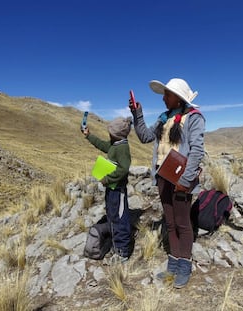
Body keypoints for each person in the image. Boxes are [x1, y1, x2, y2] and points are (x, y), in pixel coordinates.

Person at [129, 78, 205, 288]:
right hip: (163, 176)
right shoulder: (163, 118)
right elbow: (144, 136)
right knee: (170, 222)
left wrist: (186, 179)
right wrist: (137, 114)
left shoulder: (194, 118)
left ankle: (185, 265)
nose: (163, 98)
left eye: (167, 95)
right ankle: (173, 264)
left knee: (182, 222)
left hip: (181, 178)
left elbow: (197, 151)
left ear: (178, 98)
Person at [82, 116, 133, 263]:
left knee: (120, 218)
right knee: (112, 215)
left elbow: (124, 169)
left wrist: (107, 179)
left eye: (110, 132)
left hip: (118, 190)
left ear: (116, 134)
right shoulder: (115, 144)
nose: (108, 134)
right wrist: (89, 136)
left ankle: (123, 252)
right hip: (111, 189)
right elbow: (103, 145)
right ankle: (115, 244)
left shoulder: (122, 148)